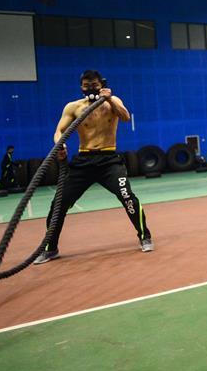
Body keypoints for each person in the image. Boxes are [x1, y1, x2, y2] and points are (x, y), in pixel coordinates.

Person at [34, 70, 153, 264]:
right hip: (84, 161)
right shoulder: (74, 107)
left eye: (94, 84)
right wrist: (60, 145)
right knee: (59, 204)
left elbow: (125, 117)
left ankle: (145, 236)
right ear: (81, 87)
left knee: (127, 196)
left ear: (102, 83)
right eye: (86, 85)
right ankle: (50, 248)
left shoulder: (113, 102)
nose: (90, 88)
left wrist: (110, 99)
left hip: (109, 160)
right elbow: (59, 131)